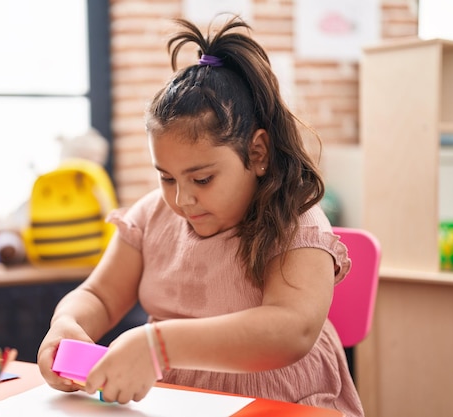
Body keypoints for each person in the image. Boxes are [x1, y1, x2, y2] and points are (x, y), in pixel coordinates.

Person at [37, 15, 364, 416]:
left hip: (286, 402)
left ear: (256, 153)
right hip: (180, 403)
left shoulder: (295, 221)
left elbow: (290, 331)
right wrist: (67, 324)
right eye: (166, 178)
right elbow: (99, 295)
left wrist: (156, 345)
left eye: (202, 179)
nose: (183, 199)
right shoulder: (151, 217)